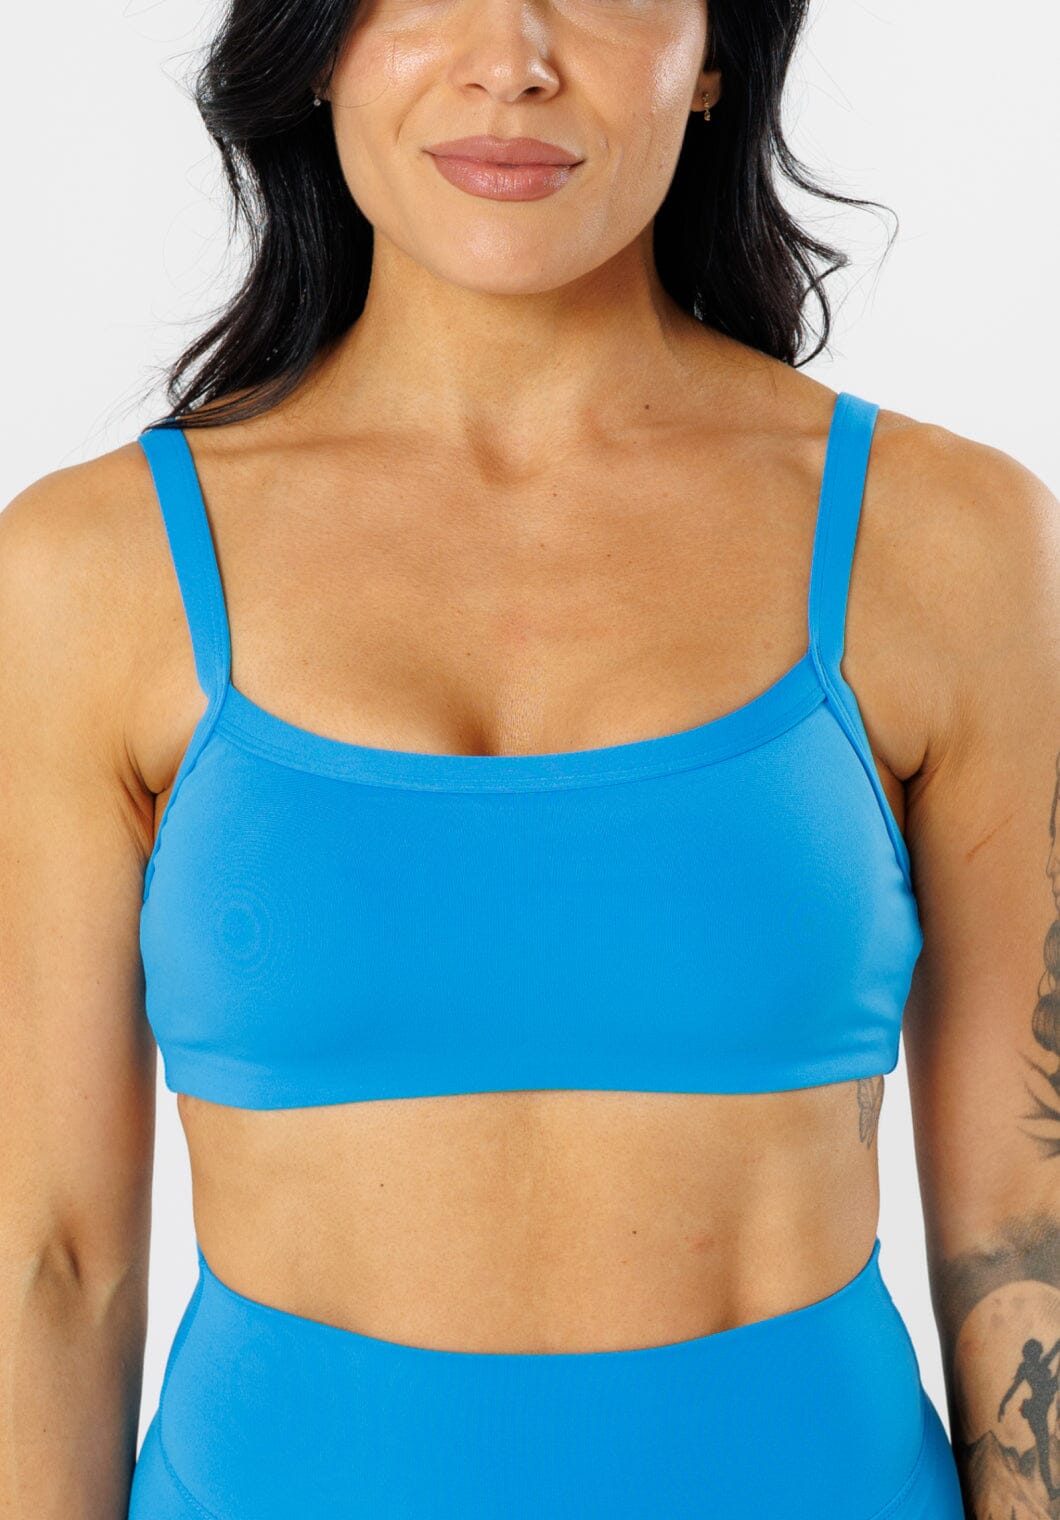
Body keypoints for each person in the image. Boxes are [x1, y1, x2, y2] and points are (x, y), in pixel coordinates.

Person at [1, 0, 1054, 1515]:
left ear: (716, 58)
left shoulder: (947, 542)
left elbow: (1027, 1226)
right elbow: (49, 1262)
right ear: (315, 44)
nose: (512, 61)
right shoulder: (91, 572)